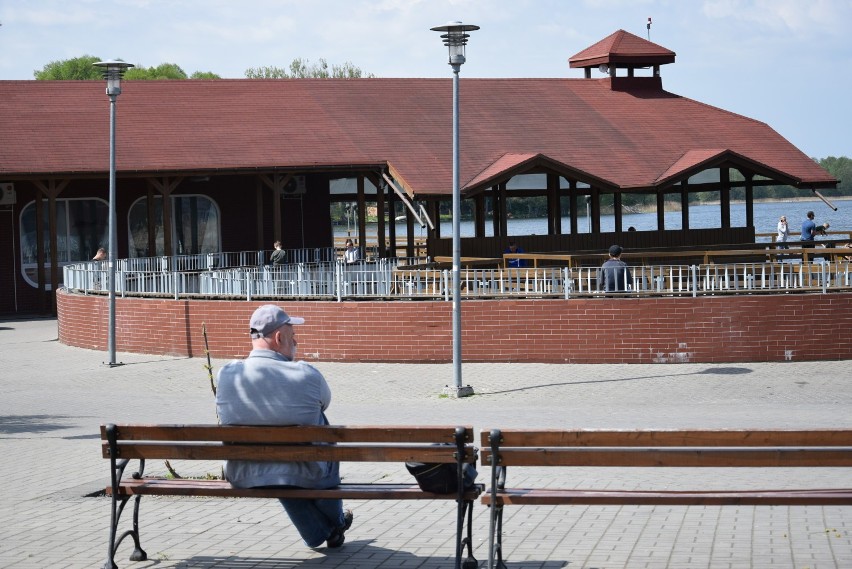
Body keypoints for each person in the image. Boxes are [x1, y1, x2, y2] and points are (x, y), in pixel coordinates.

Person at [215, 305, 353, 548]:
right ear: (279, 338)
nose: (296, 341)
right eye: (292, 335)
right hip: (306, 471)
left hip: (244, 472)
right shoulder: (306, 373)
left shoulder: (227, 373)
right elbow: (325, 403)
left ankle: (326, 531)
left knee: (277, 464)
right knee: (319, 424)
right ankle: (336, 523)